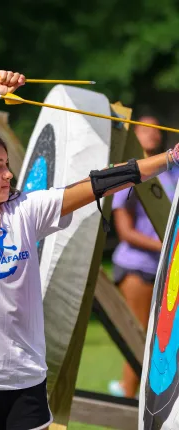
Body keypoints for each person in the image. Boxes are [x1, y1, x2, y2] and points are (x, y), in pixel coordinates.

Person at [0, 70, 179, 430]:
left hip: (25, 387)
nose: (9, 175)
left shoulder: (26, 210)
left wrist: (170, 158)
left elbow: (99, 183)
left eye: (8, 165)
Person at [108, 116, 179, 399]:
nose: (152, 134)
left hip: (169, 266)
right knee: (140, 336)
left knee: (165, 340)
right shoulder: (129, 171)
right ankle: (127, 396)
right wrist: (165, 246)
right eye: (145, 129)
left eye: (156, 129)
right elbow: (125, 232)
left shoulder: (174, 171)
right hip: (137, 265)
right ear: (135, 134)